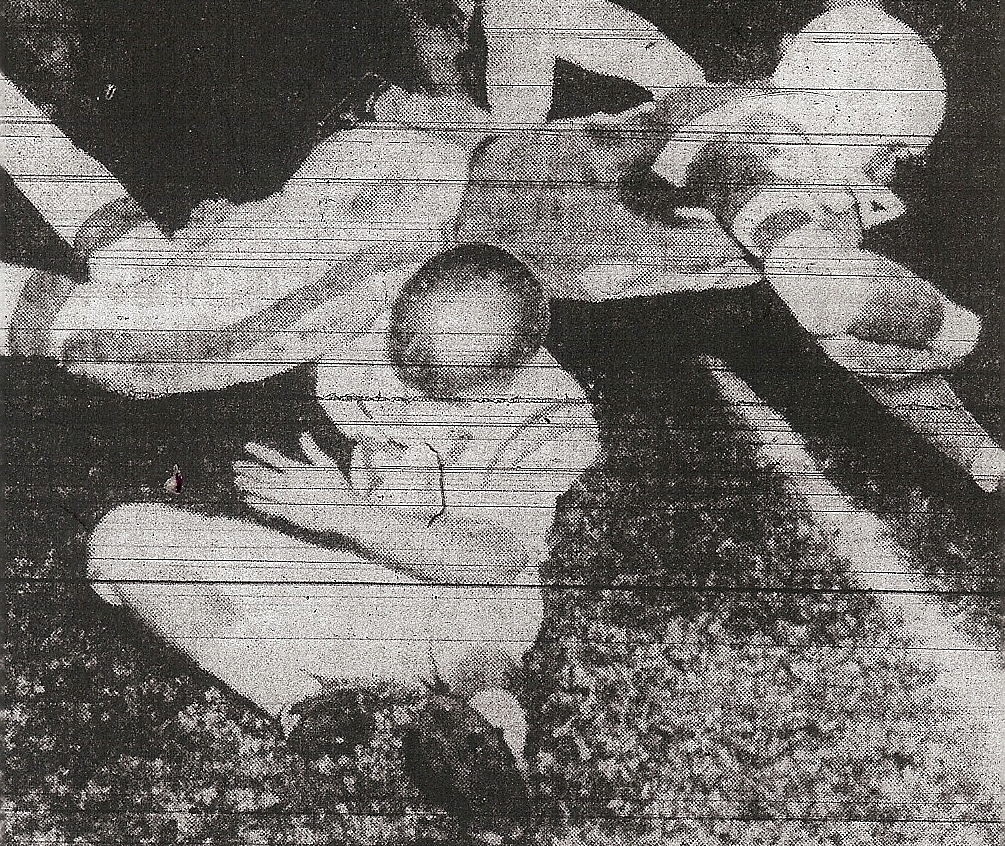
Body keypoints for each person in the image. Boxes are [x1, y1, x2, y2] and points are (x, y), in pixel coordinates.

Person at [85, 245, 602, 827]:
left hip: (459, 610)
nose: (419, 380)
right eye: (412, 348)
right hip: (361, 594)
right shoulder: (353, 324)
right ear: (405, 300)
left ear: (517, 366)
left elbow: (488, 561)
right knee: (122, 540)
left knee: (476, 625)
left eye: (455, 377)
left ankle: (486, 732)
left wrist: (340, 512)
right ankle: (302, 701)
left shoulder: (550, 415)